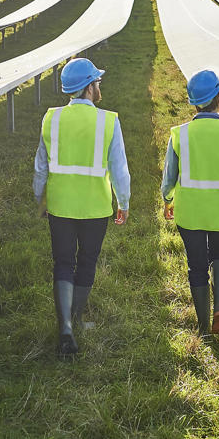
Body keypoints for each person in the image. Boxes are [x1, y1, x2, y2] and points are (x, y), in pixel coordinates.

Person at [34, 57, 130, 355]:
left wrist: (41, 198)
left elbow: (40, 167)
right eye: (97, 82)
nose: (99, 86)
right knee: (87, 261)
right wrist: (123, 203)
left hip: (60, 205)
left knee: (63, 262)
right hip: (95, 208)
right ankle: (75, 319)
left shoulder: (52, 118)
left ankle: (65, 328)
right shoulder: (108, 121)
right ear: (89, 87)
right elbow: (119, 169)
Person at [162, 68, 219, 335]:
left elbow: (169, 177)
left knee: (197, 265)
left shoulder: (179, 135)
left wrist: (167, 199)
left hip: (190, 212)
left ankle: (203, 328)